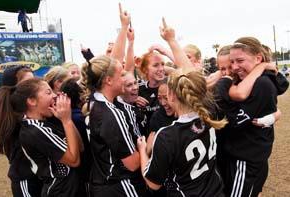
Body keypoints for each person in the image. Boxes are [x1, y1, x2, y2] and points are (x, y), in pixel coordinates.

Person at [137, 67, 227, 197]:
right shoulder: (209, 117)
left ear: (172, 96)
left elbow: (153, 183)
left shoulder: (167, 135)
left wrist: (142, 150)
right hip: (215, 192)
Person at [222, 37, 288, 197]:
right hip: (249, 157)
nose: (235, 67)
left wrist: (221, 108)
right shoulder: (252, 80)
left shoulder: (262, 84)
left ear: (258, 58)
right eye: (232, 62)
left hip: (245, 160)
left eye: (240, 60)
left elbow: (236, 122)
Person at [86, 54, 146, 197]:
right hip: (120, 184)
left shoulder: (94, 100)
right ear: (108, 80)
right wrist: (145, 146)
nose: (124, 78)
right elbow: (133, 164)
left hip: (102, 181)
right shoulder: (111, 114)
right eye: (121, 75)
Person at [16, 78, 81, 196]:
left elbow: (80, 147)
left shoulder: (47, 122)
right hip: (61, 190)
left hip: (70, 188)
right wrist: (66, 121)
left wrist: (67, 120)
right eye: (48, 92)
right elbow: (74, 160)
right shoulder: (34, 131)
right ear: (32, 101)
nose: (55, 95)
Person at [0, 66, 39, 197]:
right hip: (27, 180)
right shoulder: (13, 116)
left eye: (34, 80)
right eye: (28, 82)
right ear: (14, 88)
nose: (34, 85)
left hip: (41, 177)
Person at [61, 78, 91, 197]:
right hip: (86, 167)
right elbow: (84, 146)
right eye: (83, 91)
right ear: (79, 95)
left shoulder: (66, 116)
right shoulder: (79, 118)